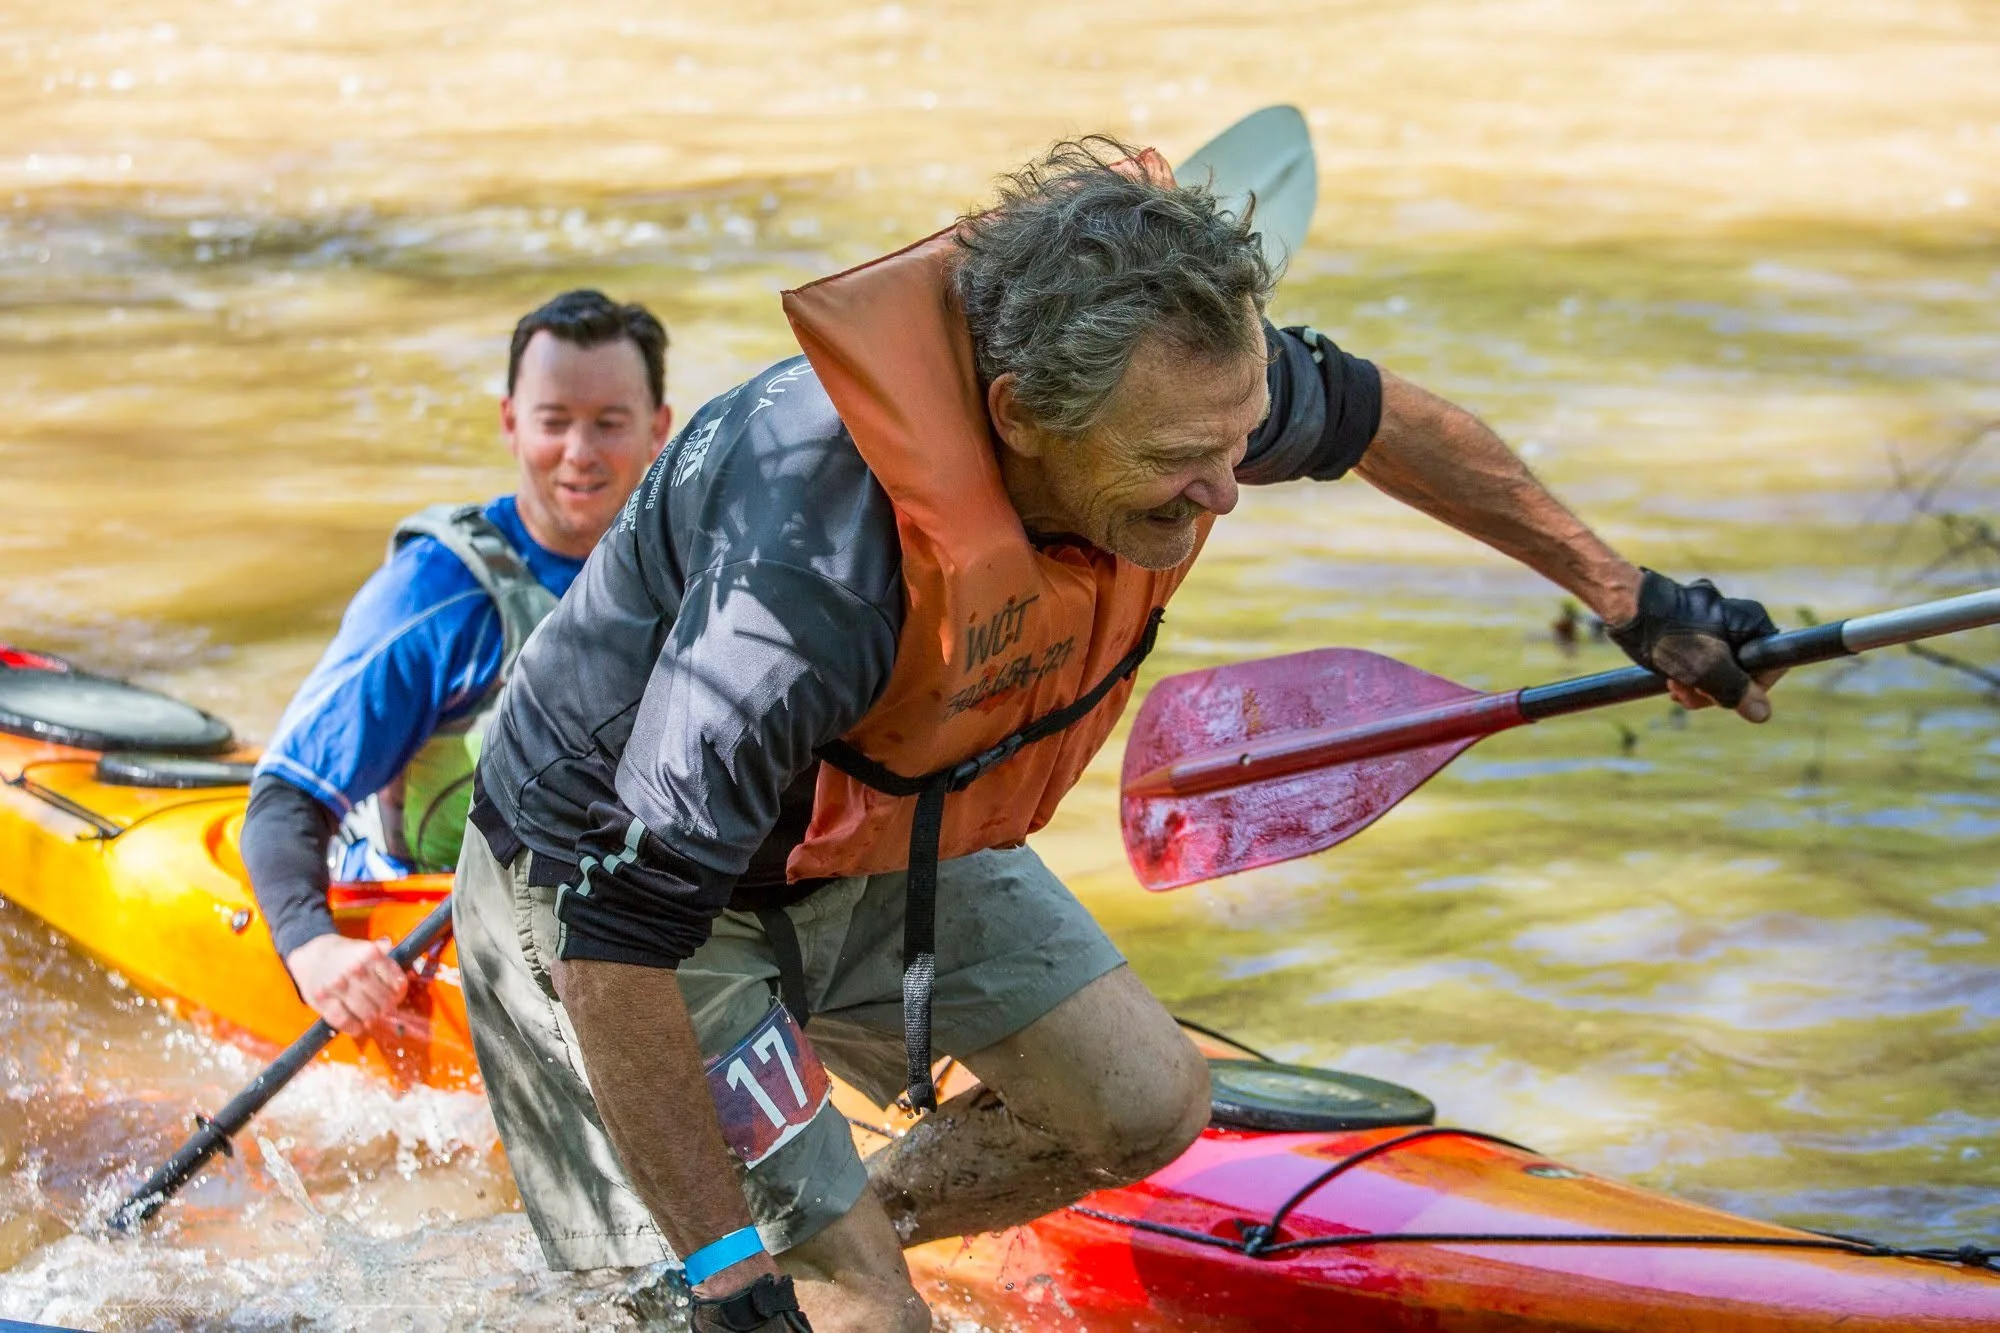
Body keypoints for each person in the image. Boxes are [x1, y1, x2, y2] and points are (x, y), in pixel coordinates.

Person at [452, 141, 1779, 1333]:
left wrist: (1626, 594)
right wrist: (733, 1272)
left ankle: (856, 1219)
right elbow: (619, 942)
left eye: (1238, 444)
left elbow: (1382, 421)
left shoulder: (1180, 380)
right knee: (843, 1305)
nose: (1225, 494)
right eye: (1178, 467)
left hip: (868, 833)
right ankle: (815, 1263)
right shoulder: (815, 579)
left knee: (1146, 1103)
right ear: (1021, 413)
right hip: (618, 902)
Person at [240, 290, 673, 1037]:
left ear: (659, 430)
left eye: (609, 422)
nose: (580, 451)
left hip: (615, 911)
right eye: (554, 421)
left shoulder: (690, 574)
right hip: (437, 913)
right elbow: (286, 795)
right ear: (511, 422)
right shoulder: (437, 593)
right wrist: (313, 949)